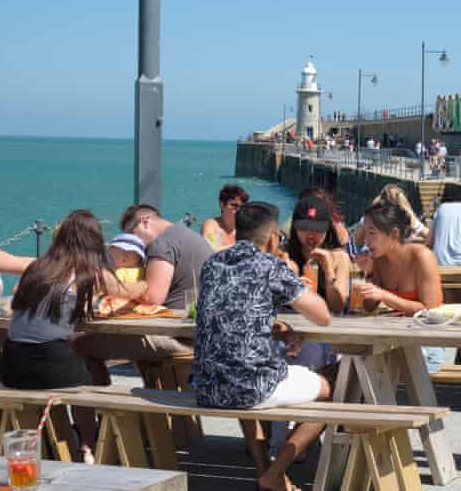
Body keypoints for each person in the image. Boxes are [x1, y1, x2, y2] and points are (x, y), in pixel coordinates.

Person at [190, 202, 332, 491]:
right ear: (271, 238)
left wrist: (271, 324)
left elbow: (233, 310)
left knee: (241, 382)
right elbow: (322, 316)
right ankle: (275, 472)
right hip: (247, 387)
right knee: (329, 391)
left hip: (206, 386)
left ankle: (264, 469)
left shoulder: (213, 263)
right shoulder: (269, 265)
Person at [0, 210, 140, 463]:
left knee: (83, 362)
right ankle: (88, 444)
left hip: (12, 366)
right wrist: (145, 283)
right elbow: (138, 293)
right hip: (51, 366)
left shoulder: (35, 267)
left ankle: (79, 439)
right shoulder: (93, 275)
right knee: (93, 374)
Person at [73, 204, 213, 385]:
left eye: (132, 233)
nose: (133, 242)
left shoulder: (162, 243)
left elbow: (153, 297)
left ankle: (102, 407)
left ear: (145, 222)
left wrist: (110, 283)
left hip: (176, 337)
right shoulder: (190, 237)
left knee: (80, 344)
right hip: (199, 334)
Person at [353, 201, 444, 371]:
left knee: (364, 368)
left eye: (372, 233)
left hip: (425, 346)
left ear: (394, 233)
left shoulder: (422, 257)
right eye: (365, 233)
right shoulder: (378, 259)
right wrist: (368, 274)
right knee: (357, 364)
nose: (366, 240)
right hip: (392, 343)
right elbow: (369, 306)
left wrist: (385, 296)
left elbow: (432, 311)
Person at [201, 184, 250, 251]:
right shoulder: (213, 226)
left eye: (242, 207)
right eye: (234, 205)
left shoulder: (246, 229)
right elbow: (210, 250)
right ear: (222, 204)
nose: (239, 210)